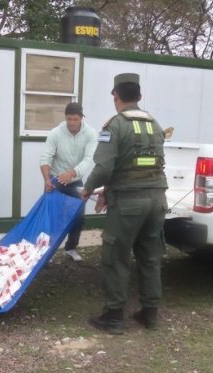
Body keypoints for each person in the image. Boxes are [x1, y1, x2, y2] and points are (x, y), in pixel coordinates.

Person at [80, 73, 168, 334]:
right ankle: (150, 314)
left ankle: (114, 317)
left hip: (129, 203)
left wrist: (88, 188)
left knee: (116, 257)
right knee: (150, 257)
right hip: (157, 200)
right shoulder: (155, 125)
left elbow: (105, 166)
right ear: (139, 97)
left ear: (115, 96)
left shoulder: (115, 126)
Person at [40, 102, 97, 262]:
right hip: (55, 180)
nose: (72, 122)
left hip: (75, 181)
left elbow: (88, 159)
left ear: (81, 118)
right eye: (69, 119)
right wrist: (46, 180)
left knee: (78, 217)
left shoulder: (90, 134)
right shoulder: (55, 133)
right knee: (50, 216)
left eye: (75, 119)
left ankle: (70, 248)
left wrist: (71, 173)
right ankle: (46, 251)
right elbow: (45, 158)